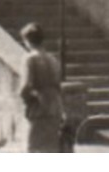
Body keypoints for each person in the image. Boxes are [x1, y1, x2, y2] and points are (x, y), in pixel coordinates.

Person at [19, 22, 65, 153]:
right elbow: (58, 85)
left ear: (27, 41)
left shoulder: (29, 59)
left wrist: (26, 100)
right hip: (55, 109)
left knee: (34, 149)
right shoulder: (53, 59)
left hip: (38, 110)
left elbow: (26, 86)